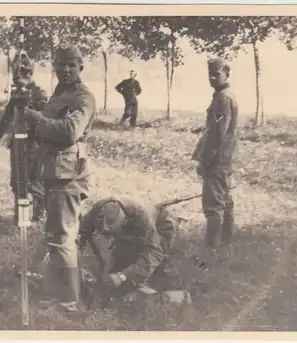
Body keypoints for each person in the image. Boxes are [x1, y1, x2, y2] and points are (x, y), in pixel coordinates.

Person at [23, 44, 96, 313]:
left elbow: (69, 131)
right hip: (55, 172)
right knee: (55, 234)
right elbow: (48, 121)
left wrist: (35, 118)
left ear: (80, 67)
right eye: (61, 64)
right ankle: (59, 295)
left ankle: (69, 302)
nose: (65, 69)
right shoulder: (59, 94)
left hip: (69, 175)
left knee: (63, 236)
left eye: (71, 65)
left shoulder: (83, 97)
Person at [78, 196, 180, 302]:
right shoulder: (100, 208)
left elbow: (155, 252)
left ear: (124, 222)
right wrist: (79, 267)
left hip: (161, 227)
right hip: (130, 233)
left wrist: (123, 276)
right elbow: (79, 235)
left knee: (160, 275)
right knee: (113, 275)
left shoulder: (141, 217)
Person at [191, 58, 239, 252]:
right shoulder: (225, 95)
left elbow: (217, 134)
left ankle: (211, 247)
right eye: (210, 74)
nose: (212, 78)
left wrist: (205, 161)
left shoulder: (222, 98)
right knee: (225, 200)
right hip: (226, 157)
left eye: (216, 74)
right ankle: (226, 242)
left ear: (226, 74)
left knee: (213, 204)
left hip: (217, 158)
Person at [1, 53, 48, 224]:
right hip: (18, 144)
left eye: (18, 73)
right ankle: (20, 218)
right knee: (18, 182)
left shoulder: (39, 93)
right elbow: (8, 118)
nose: (15, 77)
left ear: (27, 73)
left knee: (34, 181)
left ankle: (39, 216)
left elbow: (44, 120)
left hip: (33, 144)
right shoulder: (16, 93)